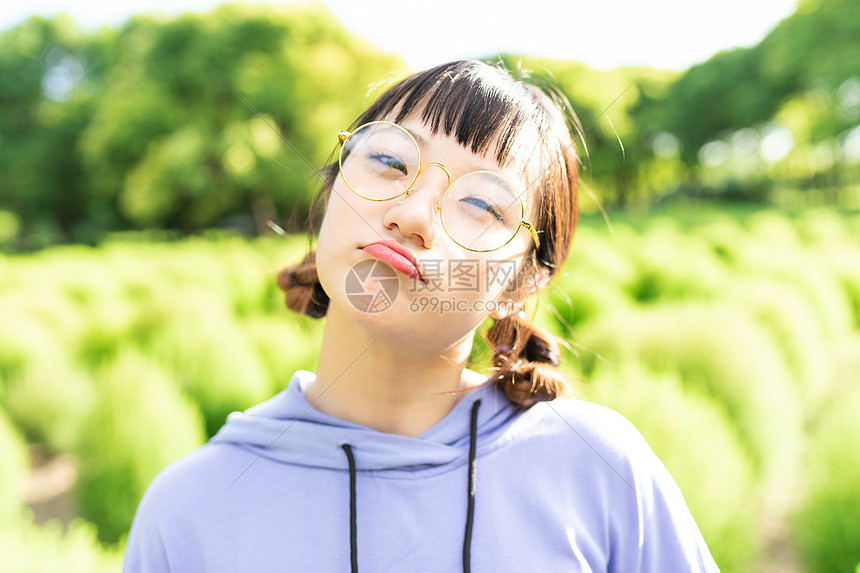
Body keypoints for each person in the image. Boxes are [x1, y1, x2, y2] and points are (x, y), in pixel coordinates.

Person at [123, 59, 719, 572]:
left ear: (524, 280)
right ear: (333, 190)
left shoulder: (597, 468)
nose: (413, 215)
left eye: (482, 203)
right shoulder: (191, 507)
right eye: (388, 161)